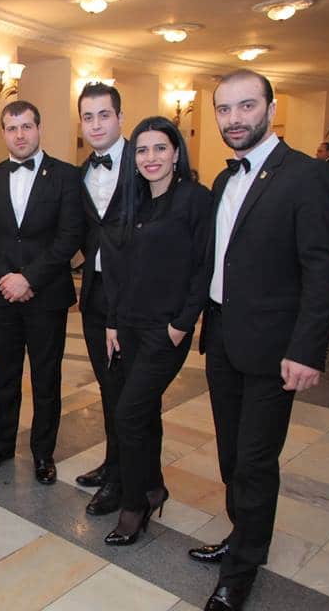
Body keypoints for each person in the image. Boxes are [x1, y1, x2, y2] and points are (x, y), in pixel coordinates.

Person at [191, 70, 329, 611]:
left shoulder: (306, 175)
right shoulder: (222, 180)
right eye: (224, 109)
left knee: (255, 460)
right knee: (231, 453)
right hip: (223, 338)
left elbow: (322, 268)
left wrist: (306, 350)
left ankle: (241, 570)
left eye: (246, 106)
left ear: (271, 109)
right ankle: (243, 534)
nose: (234, 119)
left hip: (274, 348)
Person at [101, 116, 211, 546]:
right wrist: (112, 320)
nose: (151, 157)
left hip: (165, 331)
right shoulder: (135, 201)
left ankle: (134, 505)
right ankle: (153, 487)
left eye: (160, 148)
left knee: (128, 414)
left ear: (176, 152)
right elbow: (120, 268)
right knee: (143, 412)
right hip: (129, 324)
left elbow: (204, 267)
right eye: (142, 150)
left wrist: (183, 324)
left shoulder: (195, 199)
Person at [0, 100, 84, 484]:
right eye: (12, 128)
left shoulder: (66, 176)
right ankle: (2, 444)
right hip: (2, 297)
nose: (20, 135)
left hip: (46, 296)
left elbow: (70, 236)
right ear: (3, 132)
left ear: (39, 128)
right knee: (5, 377)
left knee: (46, 378)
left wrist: (29, 279)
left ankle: (43, 453)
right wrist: (6, 277)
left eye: (26, 127)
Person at [74, 82, 129, 516]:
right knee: (110, 388)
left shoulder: (144, 164)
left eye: (103, 115)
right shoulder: (81, 174)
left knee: (131, 394)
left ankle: (128, 480)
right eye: (88, 117)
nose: (95, 125)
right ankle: (114, 465)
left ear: (120, 117)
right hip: (94, 295)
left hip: (133, 296)